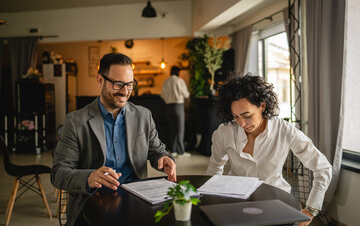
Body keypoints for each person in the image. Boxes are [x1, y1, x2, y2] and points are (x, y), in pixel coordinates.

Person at [51, 53, 176, 226]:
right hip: (90, 206)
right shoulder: (75, 121)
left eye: (130, 84)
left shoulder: (143, 116)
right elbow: (58, 174)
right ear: (100, 80)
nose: (125, 92)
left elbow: (156, 150)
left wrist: (163, 158)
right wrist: (89, 177)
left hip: (137, 202)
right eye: (118, 84)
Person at [206, 73, 332, 226]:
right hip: (236, 203)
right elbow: (215, 168)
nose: (242, 123)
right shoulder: (224, 132)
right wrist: (211, 201)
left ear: (262, 106)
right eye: (236, 116)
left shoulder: (285, 131)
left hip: (276, 204)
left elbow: (323, 169)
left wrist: (311, 209)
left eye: (247, 115)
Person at [161, 66, 190, 157]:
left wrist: (168, 101)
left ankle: (173, 150)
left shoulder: (166, 81)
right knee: (180, 128)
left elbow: (162, 95)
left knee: (172, 128)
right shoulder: (179, 81)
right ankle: (180, 152)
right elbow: (186, 94)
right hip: (178, 105)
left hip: (168, 106)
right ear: (178, 72)